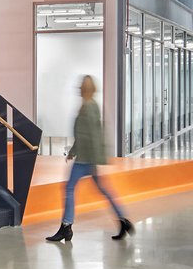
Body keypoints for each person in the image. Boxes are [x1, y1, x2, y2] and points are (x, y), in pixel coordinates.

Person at [46, 76, 134, 243]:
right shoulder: (87, 106)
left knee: (69, 188)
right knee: (103, 190)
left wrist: (94, 160)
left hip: (86, 159)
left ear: (85, 88)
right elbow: (82, 135)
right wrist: (73, 151)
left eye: (81, 86)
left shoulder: (90, 107)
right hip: (86, 158)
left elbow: (94, 135)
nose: (78, 88)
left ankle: (66, 227)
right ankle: (123, 221)